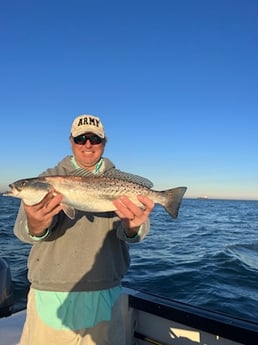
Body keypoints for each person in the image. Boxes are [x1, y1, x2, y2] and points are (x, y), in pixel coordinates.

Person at [13, 113, 154, 345]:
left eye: (94, 139)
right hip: (50, 295)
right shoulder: (45, 180)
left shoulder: (121, 183)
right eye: (80, 139)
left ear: (103, 143)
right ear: (71, 142)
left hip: (107, 293)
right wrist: (37, 225)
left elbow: (136, 233)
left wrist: (132, 228)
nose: (87, 144)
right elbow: (22, 231)